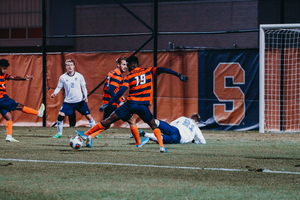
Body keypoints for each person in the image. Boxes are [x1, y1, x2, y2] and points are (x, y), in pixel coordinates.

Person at [76, 55, 189, 153]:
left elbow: (120, 91)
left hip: (130, 104)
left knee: (108, 121)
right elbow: (162, 69)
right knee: (153, 125)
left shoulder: (128, 76)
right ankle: (161, 146)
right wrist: (178, 75)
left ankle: (87, 134)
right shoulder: (148, 70)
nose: (127, 67)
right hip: (143, 106)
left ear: (133, 64)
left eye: (128, 65)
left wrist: (109, 103)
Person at [0, 59, 45, 142]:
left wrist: (24, 78)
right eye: (4, 68)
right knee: (20, 106)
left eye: (6, 69)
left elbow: (13, 77)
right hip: (2, 99)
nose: (5, 70)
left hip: (3, 99)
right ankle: (39, 113)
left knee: (9, 118)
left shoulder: (3, 75)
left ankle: (9, 136)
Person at [51, 59, 97, 138]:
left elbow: (84, 87)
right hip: (68, 102)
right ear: (66, 66)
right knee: (60, 116)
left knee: (89, 116)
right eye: (68, 65)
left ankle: (96, 133)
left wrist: (85, 96)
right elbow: (59, 87)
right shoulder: (63, 77)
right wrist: (55, 93)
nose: (70, 67)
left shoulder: (79, 76)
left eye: (71, 65)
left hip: (79, 101)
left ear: (74, 66)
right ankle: (59, 133)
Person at [97, 56, 137, 139]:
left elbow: (108, 88)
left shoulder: (111, 73)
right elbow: (111, 90)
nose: (125, 66)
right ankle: (137, 138)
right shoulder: (118, 75)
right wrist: (119, 102)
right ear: (118, 65)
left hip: (107, 102)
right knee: (132, 120)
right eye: (123, 64)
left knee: (106, 124)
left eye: (126, 65)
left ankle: (89, 134)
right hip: (115, 104)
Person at [142, 113, 206, 144]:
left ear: (190, 117)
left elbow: (172, 123)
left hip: (175, 129)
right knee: (160, 138)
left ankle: (148, 119)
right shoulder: (195, 126)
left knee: (158, 122)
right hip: (178, 139)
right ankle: (144, 134)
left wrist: (167, 130)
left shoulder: (183, 118)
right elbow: (203, 142)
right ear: (197, 122)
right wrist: (194, 142)